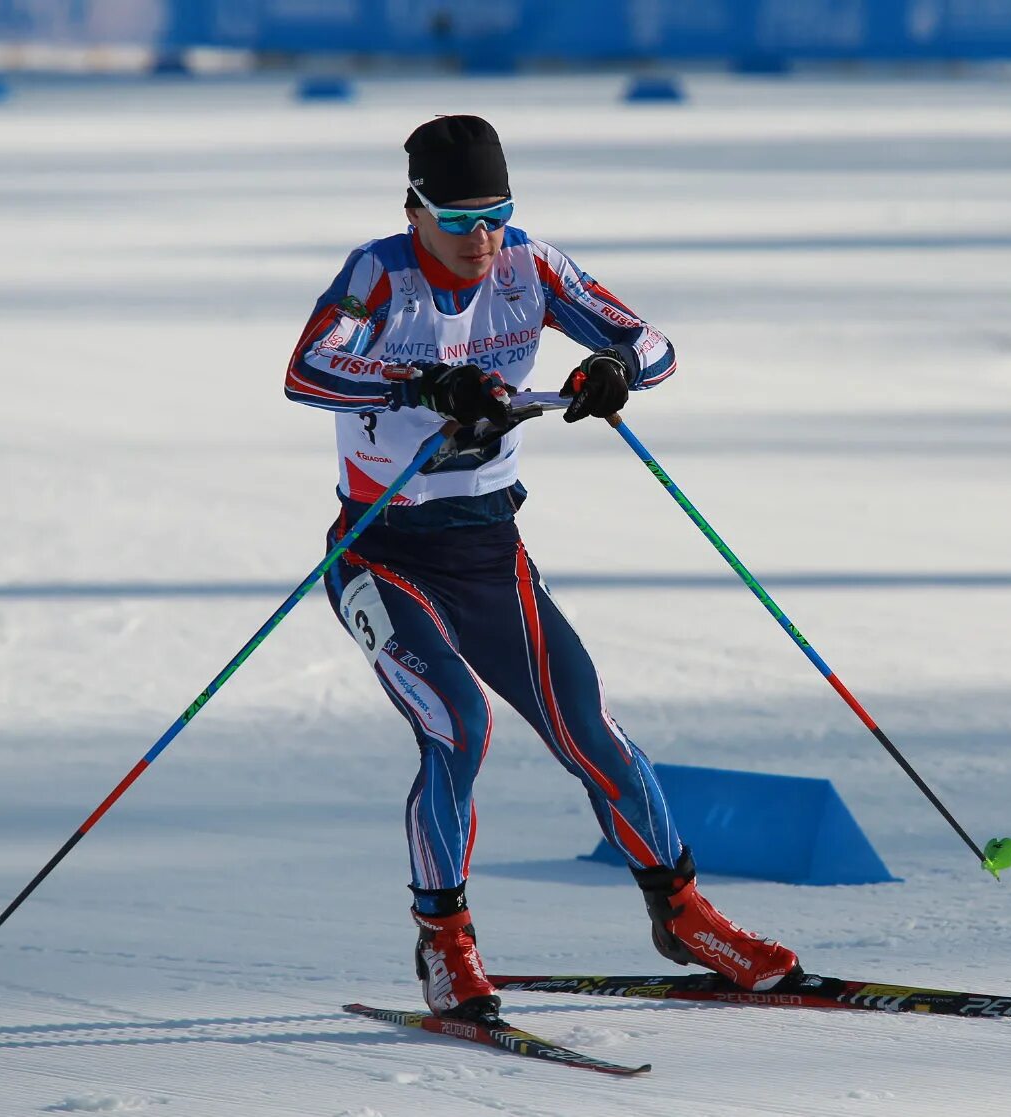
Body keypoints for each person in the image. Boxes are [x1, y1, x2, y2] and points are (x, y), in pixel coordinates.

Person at [283, 115, 800, 1021]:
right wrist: (421, 382)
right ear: (414, 210)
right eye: (456, 218)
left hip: (490, 551)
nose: (481, 238)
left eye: (496, 214)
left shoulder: (532, 264)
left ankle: (683, 915)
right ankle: (445, 942)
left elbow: (654, 343)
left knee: (591, 729)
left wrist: (612, 369)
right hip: (383, 553)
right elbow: (309, 369)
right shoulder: (380, 272)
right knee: (460, 724)